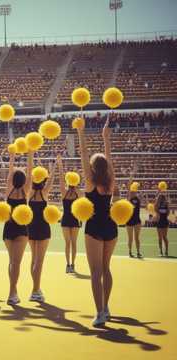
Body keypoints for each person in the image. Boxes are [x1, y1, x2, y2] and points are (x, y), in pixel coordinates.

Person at [76, 118, 118, 327]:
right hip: (111, 226)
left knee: (95, 272)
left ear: (92, 167)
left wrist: (81, 132)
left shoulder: (91, 181)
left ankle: (99, 312)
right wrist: (105, 138)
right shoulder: (110, 180)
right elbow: (108, 160)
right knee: (106, 268)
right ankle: (106, 307)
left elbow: (83, 154)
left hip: (93, 227)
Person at [3, 148, 33, 305]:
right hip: (21, 229)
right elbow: (30, 172)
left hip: (8, 229)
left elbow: (10, 174)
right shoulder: (25, 191)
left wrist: (13, 158)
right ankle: (12, 293)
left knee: (11, 261)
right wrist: (30, 154)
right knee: (16, 262)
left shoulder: (9, 190)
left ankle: (13, 292)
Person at [27, 157, 56, 302]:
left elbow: (30, 176)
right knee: (39, 261)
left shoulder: (29, 194)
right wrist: (55, 165)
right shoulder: (44, 193)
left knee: (34, 259)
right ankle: (35, 290)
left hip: (30, 228)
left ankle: (35, 288)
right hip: (43, 228)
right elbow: (51, 180)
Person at [57, 155, 82, 273]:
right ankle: (69, 265)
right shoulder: (72, 192)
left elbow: (62, 179)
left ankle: (71, 265)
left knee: (71, 243)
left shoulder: (72, 192)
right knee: (71, 243)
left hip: (73, 220)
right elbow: (62, 179)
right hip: (67, 219)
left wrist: (60, 165)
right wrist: (60, 165)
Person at [126, 173, 143, 258]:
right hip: (129, 220)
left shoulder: (138, 198)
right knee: (130, 238)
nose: (133, 192)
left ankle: (138, 252)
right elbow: (128, 186)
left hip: (137, 220)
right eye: (132, 191)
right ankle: (130, 252)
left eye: (134, 190)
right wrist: (131, 176)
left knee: (137, 238)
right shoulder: (129, 198)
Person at [154, 192, 169, 257]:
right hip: (159, 222)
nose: (160, 198)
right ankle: (161, 251)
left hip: (165, 221)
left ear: (164, 198)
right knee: (160, 238)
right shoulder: (157, 205)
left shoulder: (166, 204)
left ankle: (166, 251)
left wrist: (167, 206)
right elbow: (155, 210)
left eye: (162, 197)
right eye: (159, 197)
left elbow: (168, 213)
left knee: (164, 237)